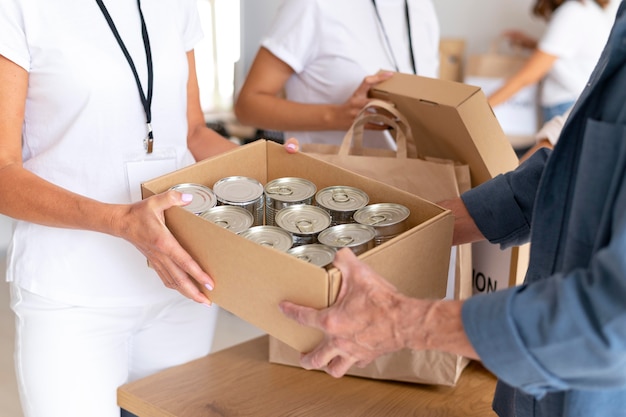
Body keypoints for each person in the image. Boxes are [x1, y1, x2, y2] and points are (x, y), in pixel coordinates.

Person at [278, 1, 626, 416]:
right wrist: (402, 229)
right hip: (532, 396)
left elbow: (610, 321)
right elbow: (569, 173)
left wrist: (401, 322)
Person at [0, 1, 297, 416]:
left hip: (180, 276)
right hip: (73, 290)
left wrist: (269, 167)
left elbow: (192, 132)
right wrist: (119, 220)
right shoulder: (19, 9)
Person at [233, 0, 440, 149]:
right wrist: (338, 116)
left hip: (411, 183)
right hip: (331, 188)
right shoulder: (312, 5)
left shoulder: (421, 8)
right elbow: (247, 107)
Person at [488, 0, 613, 123]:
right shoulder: (588, 8)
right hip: (576, 104)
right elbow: (566, 54)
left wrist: (481, 108)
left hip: (565, 107)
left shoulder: (572, 12)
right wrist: (533, 45)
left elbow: (528, 76)